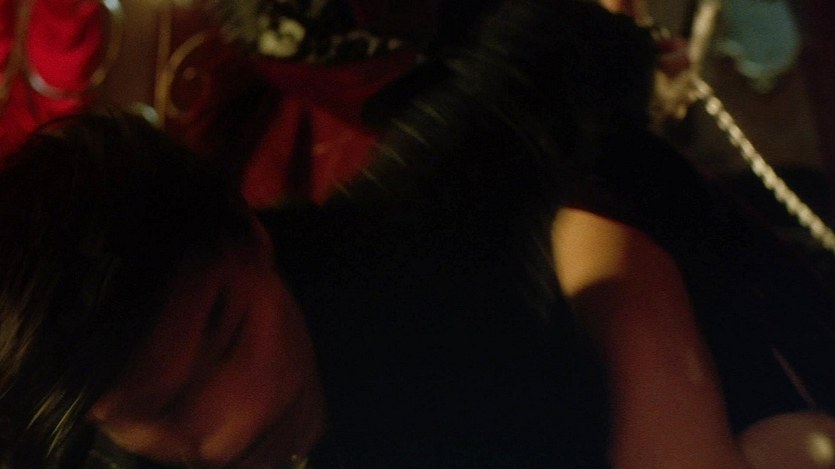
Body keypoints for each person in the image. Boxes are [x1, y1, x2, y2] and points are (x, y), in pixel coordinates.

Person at [2, 1, 835, 468]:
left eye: (226, 335)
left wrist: (632, 311)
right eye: (159, 410)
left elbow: (554, 55)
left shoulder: (407, 241)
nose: (233, 426)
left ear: (251, 234)